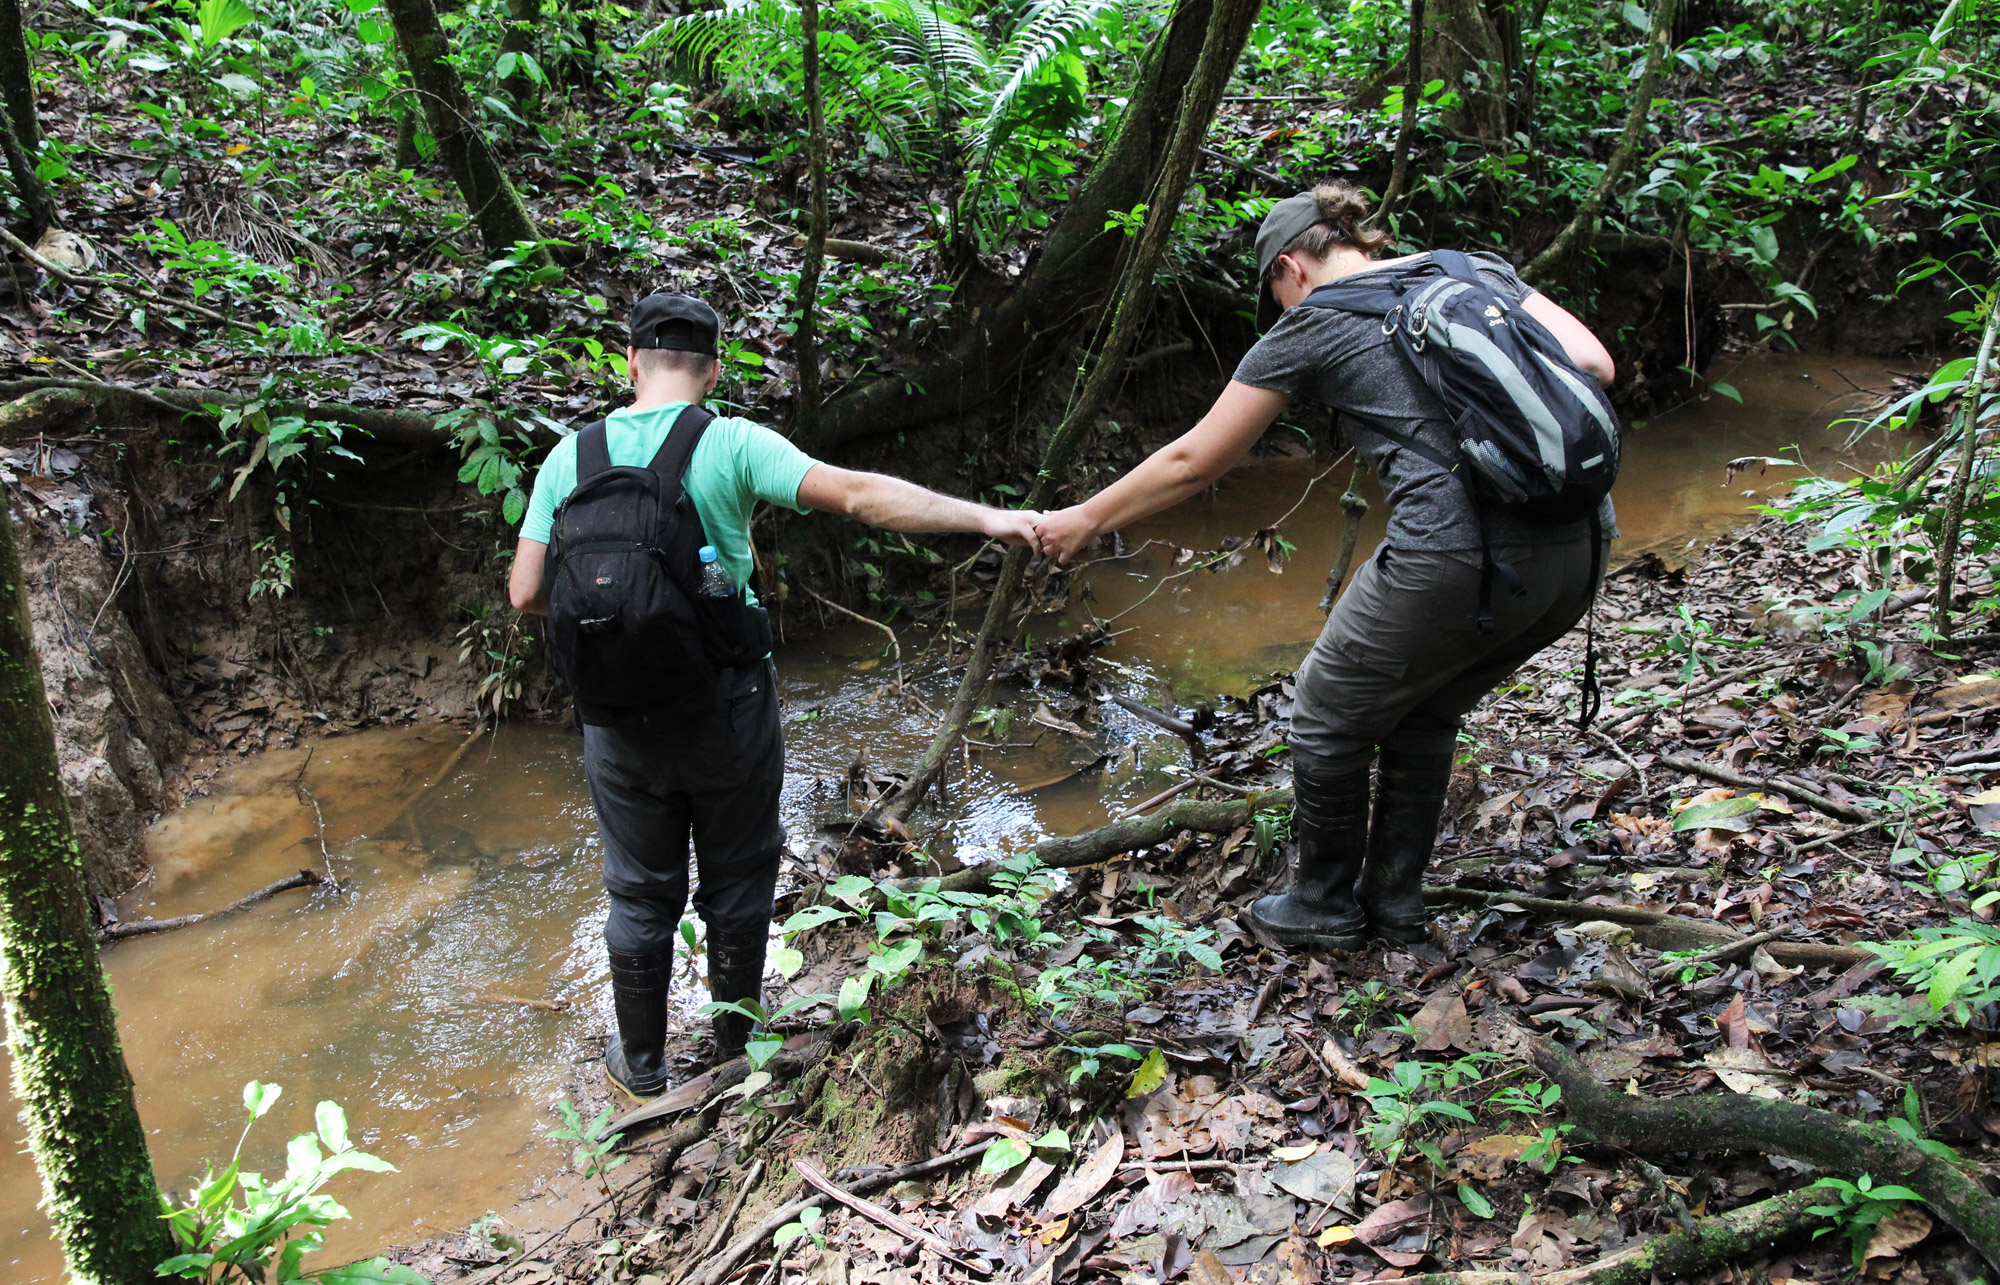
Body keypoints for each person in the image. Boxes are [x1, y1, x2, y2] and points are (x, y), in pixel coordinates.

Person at [1033, 182, 1618, 950]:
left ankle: (1322, 905)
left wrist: (1084, 518)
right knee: (1425, 706)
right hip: (1580, 549)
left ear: (1291, 269)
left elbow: (1193, 462)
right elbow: (1594, 362)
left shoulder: (1314, 322)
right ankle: (1396, 904)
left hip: (1457, 558)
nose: (1278, 311)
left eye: (1274, 294)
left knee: (1321, 712)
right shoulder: (1473, 269)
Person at [509, 292, 1042, 1098]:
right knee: (738, 876)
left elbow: (524, 592)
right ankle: (735, 1046)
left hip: (617, 721)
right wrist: (988, 518)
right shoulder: (727, 441)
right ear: (714, 369)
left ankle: (642, 1066)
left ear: (630, 365)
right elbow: (862, 496)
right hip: (725, 706)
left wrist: (622, 619)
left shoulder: (568, 459)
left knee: (639, 889)